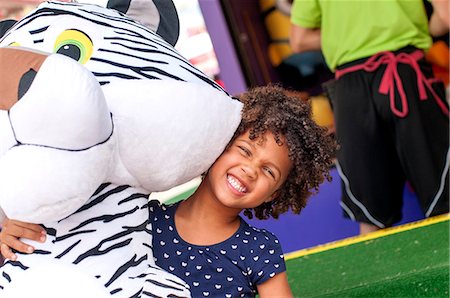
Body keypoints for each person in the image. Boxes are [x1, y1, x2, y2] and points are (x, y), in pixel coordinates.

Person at [0, 85, 336, 297]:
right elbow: (66, 242)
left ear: (274, 194)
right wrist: (17, 230)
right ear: (219, 144)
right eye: (245, 150)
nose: (249, 169)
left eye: (268, 171)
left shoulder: (258, 249)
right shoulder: (138, 217)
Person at [289, 0, 449, 235]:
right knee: (444, 192)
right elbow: (446, 15)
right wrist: (404, 27)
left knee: (370, 214)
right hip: (407, 73)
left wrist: (346, 33)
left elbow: (299, 40)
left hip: (351, 86)